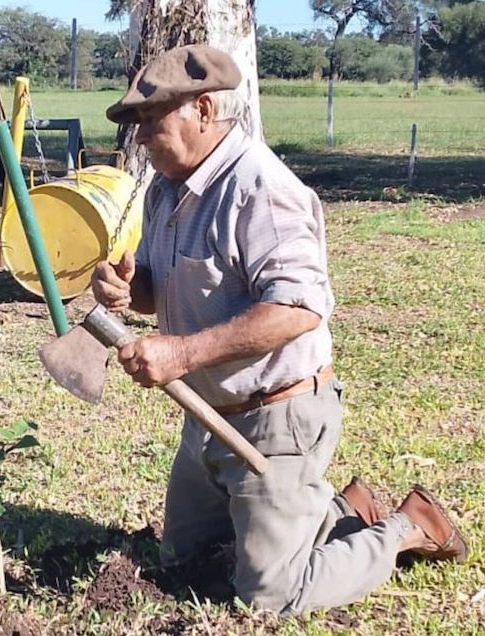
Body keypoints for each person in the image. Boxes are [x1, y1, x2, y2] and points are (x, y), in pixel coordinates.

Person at [91, 44, 468, 616]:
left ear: (205, 109)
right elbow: (164, 287)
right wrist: (128, 288)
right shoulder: (167, 188)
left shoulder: (260, 188)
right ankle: (337, 513)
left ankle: (404, 529)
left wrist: (182, 352)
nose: (140, 136)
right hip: (208, 417)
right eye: (136, 122)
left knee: (267, 594)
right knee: (183, 561)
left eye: (151, 118)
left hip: (277, 416)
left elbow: (299, 309)